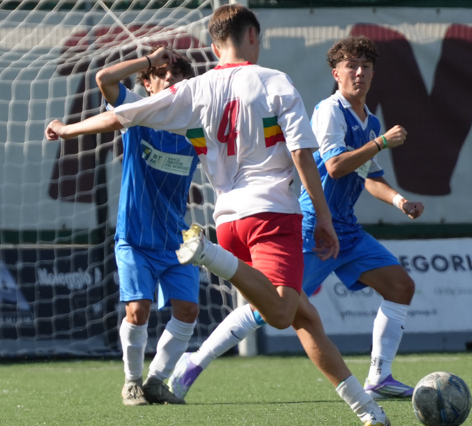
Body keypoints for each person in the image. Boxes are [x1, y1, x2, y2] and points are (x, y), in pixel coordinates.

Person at [46, 6, 391, 426]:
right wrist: (323, 215)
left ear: (213, 47)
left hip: (228, 220)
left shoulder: (194, 88)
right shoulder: (275, 81)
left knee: (305, 317)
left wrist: (68, 130)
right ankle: (209, 257)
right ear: (254, 36)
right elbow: (303, 154)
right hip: (271, 214)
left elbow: (121, 116)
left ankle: (367, 409)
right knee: (282, 313)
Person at [168, 35, 424, 401]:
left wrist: (400, 201)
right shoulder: (330, 111)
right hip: (312, 228)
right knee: (268, 308)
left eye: (366, 67)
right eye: (351, 66)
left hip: (347, 231)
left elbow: (370, 176)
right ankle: (193, 362)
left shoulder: (369, 121)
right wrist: (381, 142)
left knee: (400, 286)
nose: (359, 73)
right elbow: (335, 166)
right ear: (336, 73)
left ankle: (379, 377)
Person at [94, 47, 201, 406]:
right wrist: (149, 60)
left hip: (174, 240)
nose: (170, 80)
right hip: (135, 238)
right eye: (162, 75)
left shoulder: (194, 127)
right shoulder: (138, 115)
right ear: (148, 84)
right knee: (138, 310)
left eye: (177, 76)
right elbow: (104, 79)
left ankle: (156, 381)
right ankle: (131, 381)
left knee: (188, 310)